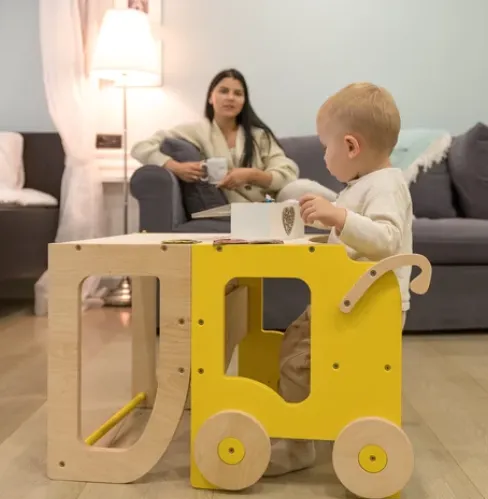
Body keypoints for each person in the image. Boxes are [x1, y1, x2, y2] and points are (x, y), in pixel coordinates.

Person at [265, 82, 414, 477]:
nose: (324, 157)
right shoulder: (363, 185)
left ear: (350, 146)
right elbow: (352, 238)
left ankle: (298, 443)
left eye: (325, 148)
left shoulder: (385, 186)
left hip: (365, 308)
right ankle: (305, 425)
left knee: (298, 363)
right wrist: (329, 222)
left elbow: (386, 238)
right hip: (345, 301)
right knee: (295, 345)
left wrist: (338, 216)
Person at [131, 69, 300, 203]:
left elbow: (288, 173)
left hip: (267, 207)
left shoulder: (259, 136)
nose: (230, 98)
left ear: (244, 102)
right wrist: (175, 167)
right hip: (230, 211)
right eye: (224, 91)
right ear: (211, 98)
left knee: (303, 189)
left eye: (238, 93)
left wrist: (251, 175)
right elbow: (140, 147)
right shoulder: (196, 131)